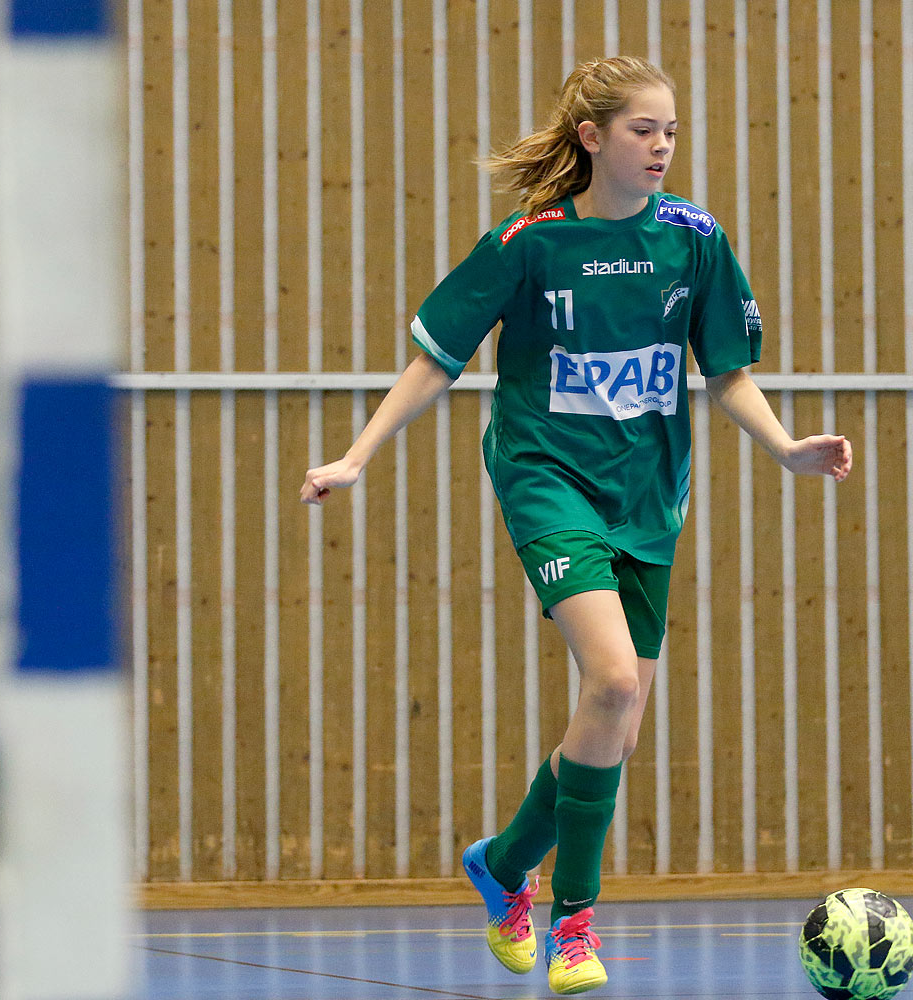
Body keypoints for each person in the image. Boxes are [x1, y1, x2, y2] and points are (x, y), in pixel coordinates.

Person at [301, 55, 851, 995]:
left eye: (672, 130)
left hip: (649, 495)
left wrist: (785, 448)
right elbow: (437, 360)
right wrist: (359, 454)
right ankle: (574, 922)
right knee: (608, 680)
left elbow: (726, 373)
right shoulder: (528, 243)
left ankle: (501, 863)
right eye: (645, 130)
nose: (664, 147)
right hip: (545, 475)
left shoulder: (697, 241)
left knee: (618, 720)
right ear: (594, 138)